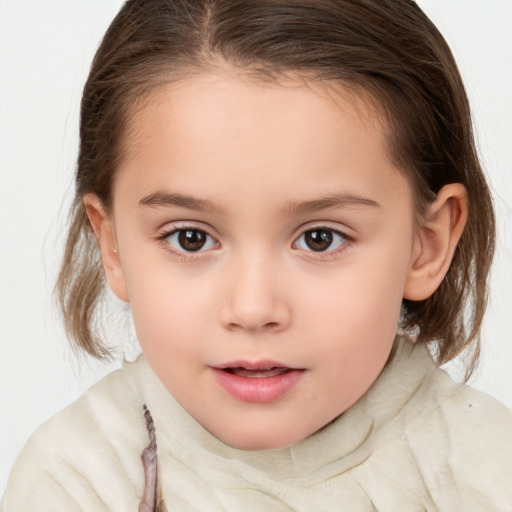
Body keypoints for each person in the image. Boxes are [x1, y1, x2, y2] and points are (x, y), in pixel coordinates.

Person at [3, 0, 512, 510]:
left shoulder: (488, 475)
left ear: (426, 245)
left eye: (320, 238)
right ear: (112, 246)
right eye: (190, 238)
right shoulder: (74, 482)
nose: (252, 308)